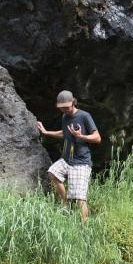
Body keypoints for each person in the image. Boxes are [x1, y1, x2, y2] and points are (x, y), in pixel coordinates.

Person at [36, 90, 100, 220]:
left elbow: (97, 138)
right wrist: (46, 132)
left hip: (81, 162)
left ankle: (84, 229)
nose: (64, 109)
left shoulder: (84, 116)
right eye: (61, 108)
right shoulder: (65, 117)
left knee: (79, 199)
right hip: (67, 160)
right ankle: (65, 203)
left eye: (66, 106)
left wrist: (81, 136)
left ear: (73, 102)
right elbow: (64, 133)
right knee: (52, 173)